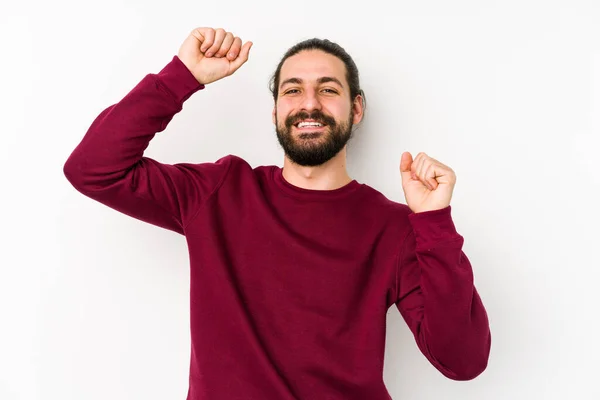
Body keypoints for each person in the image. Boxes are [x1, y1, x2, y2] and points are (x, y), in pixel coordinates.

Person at [63, 27, 491, 400]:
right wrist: (181, 77)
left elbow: (463, 360)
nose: (309, 104)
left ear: (355, 108)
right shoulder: (220, 192)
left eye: (328, 89)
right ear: (275, 112)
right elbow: (93, 169)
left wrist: (434, 222)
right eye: (292, 90)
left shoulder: (395, 228)